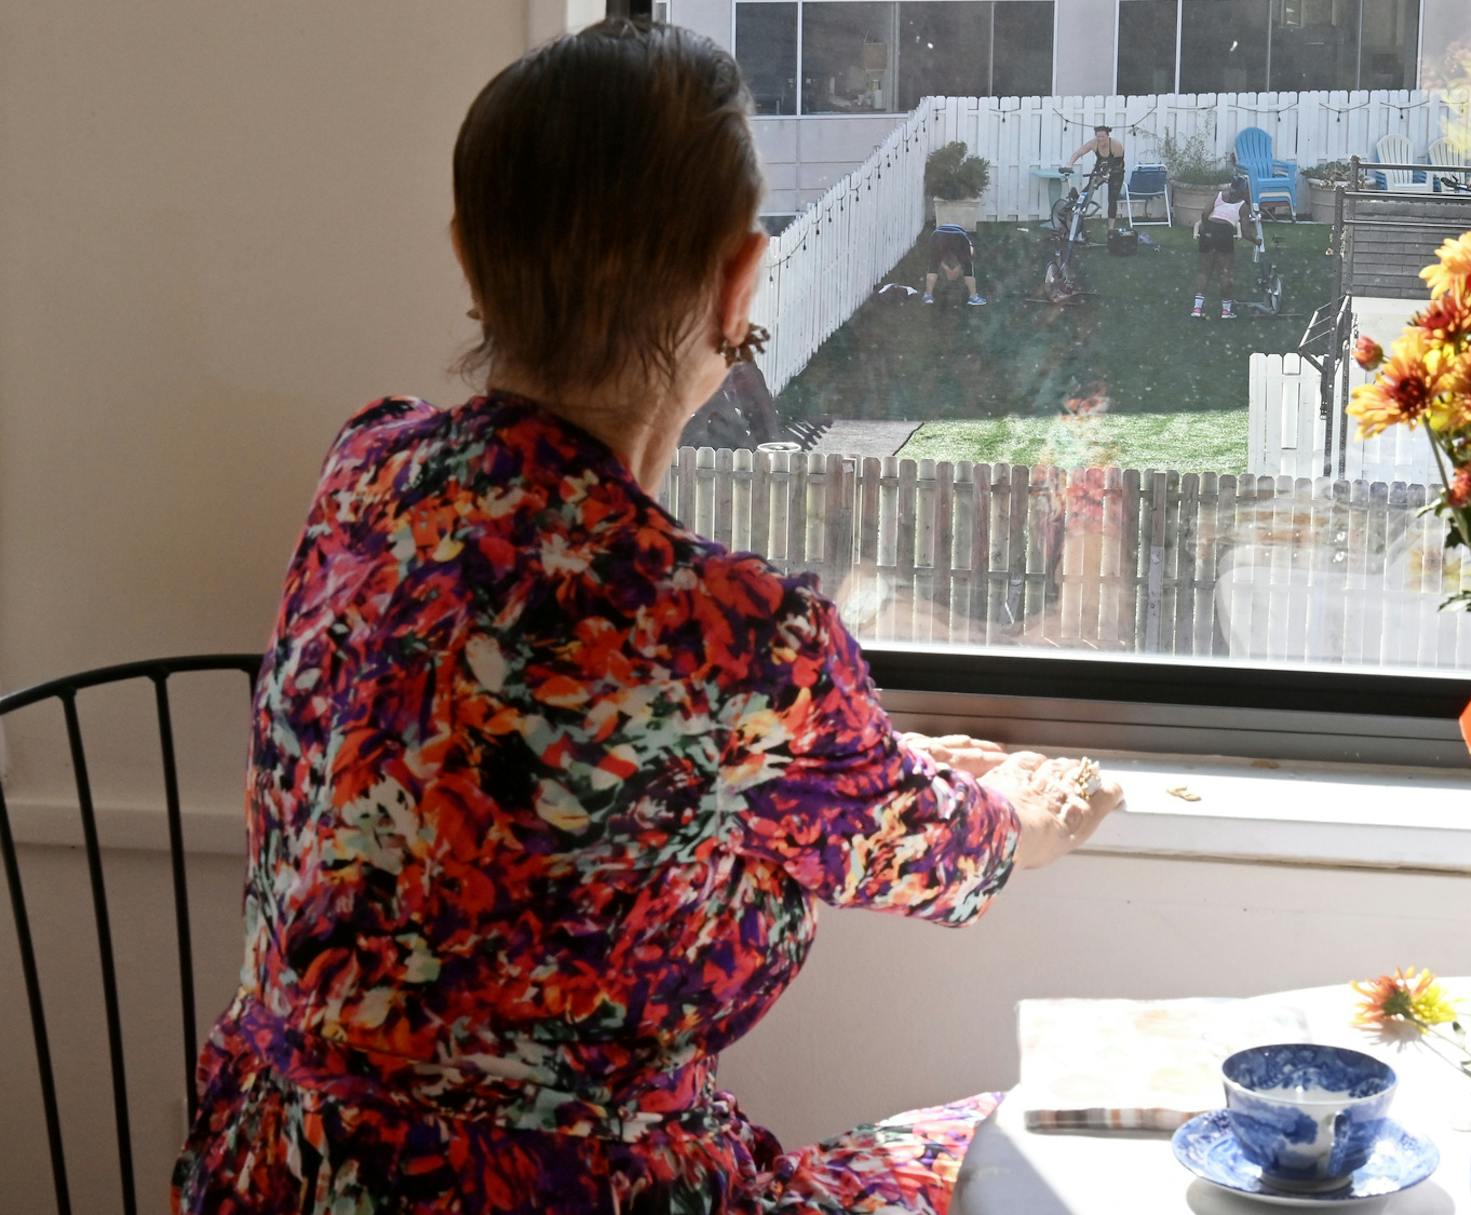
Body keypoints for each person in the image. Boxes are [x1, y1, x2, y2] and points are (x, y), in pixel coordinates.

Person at [170, 19, 1121, 1215]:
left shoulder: (367, 472)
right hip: (561, 1195)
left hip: (268, 1174)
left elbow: (564, 755)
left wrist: (897, 759)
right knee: (1033, 1156)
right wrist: (1024, 811)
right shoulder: (731, 634)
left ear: (469, 259)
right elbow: (933, 850)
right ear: (740, 279)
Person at [1192, 177, 1255, 319]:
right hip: (1225, 233)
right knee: (1225, 273)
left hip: (1208, 231)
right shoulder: (1242, 206)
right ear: (1243, 190)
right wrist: (1256, 241)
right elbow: (1246, 233)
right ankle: (1226, 311)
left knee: (1204, 272)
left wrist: (1206, 228)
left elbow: (1204, 213)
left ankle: (1197, 309)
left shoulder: (1219, 196)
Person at [922, 222, 987, 305]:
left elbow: (936, 258)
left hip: (938, 234)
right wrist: (955, 268)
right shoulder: (966, 237)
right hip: (957, 235)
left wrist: (950, 269)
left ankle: (928, 296)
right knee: (968, 267)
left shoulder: (947, 251)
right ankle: (973, 297)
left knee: (933, 264)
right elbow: (969, 255)